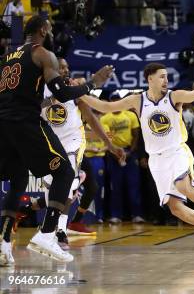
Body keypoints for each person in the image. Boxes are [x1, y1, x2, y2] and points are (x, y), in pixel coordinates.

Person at [81, 63, 194, 249]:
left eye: (167, 76)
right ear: (150, 79)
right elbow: (105, 106)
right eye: (161, 76)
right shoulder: (137, 100)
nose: (166, 80)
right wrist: (81, 94)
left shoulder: (173, 96)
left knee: (183, 185)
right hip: (156, 159)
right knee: (176, 209)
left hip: (177, 152)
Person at [0, 16, 113, 264]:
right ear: (42, 30)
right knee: (64, 173)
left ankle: (4, 243)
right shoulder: (43, 54)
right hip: (24, 120)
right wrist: (94, 82)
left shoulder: (7, 57)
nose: (51, 33)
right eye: (49, 28)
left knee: (18, 179)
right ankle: (48, 234)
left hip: (3, 124)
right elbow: (62, 93)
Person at [39, 59, 125, 244]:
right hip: (50, 143)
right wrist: (52, 98)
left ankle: (60, 229)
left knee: (68, 184)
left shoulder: (75, 89)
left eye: (67, 67)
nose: (65, 70)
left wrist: (109, 145)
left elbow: (91, 119)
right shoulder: (40, 88)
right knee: (51, 188)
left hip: (73, 143)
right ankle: (46, 224)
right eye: (61, 67)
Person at [101, 92, 144, 225]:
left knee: (134, 185)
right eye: (113, 100)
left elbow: (136, 135)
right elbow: (106, 139)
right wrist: (115, 153)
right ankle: (116, 215)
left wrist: (131, 151)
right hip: (113, 154)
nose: (116, 103)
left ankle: (137, 214)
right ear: (110, 102)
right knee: (115, 187)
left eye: (118, 100)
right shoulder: (105, 118)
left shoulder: (130, 115)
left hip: (130, 153)